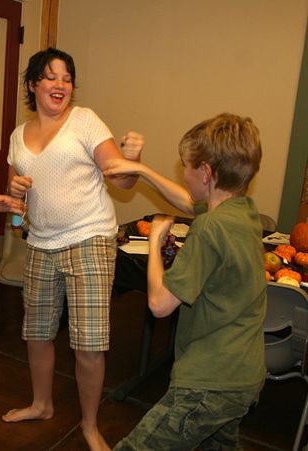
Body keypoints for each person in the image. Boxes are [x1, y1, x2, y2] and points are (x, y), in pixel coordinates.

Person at [2, 47, 144, 451]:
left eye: (67, 78)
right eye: (50, 77)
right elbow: (15, 213)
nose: (60, 84)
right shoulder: (17, 136)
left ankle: (89, 424)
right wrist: (14, 197)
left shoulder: (84, 121)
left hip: (89, 239)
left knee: (89, 342)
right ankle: (42, 403)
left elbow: (123, 182)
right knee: (37, 334)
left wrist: (132, 160)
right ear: (33, 85)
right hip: (41, 242)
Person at [104, 113, 266, 450]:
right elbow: (190, 202)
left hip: (209, 382)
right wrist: (143, 171)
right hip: (243, 376)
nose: (184, 174)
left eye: (187, 167)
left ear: (206, 173)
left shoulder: (208, 228)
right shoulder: (245, 213)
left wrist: (152, 246)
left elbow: (159, 305)